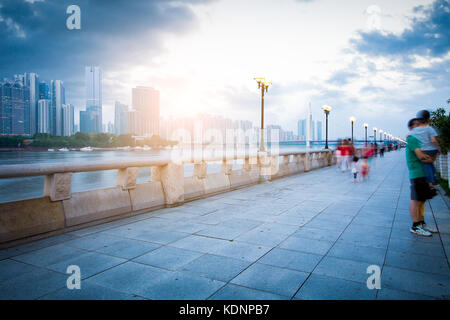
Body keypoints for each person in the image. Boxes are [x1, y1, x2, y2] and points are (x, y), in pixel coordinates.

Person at [405, 118, 437, 236]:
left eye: (420, 124)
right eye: (416, 125)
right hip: (417, 173)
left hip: (422, 173)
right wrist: (430, 159)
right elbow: (421, 156)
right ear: (411, 128)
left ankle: (422, 223)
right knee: (416, 200)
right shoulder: (412, 139)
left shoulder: (417, 139)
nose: (420, 127)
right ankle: (415, 225)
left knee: (422, 200)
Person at [412, 110, 441, 187]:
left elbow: (410, 138)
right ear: (428, 119)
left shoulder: (415, 130)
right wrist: (438, 148)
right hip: (432, 150)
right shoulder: (429, 129)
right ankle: (434, 177)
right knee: (430, 163)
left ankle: (430, 182)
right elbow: (433, 140)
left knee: (426, 164)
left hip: (423, 150)